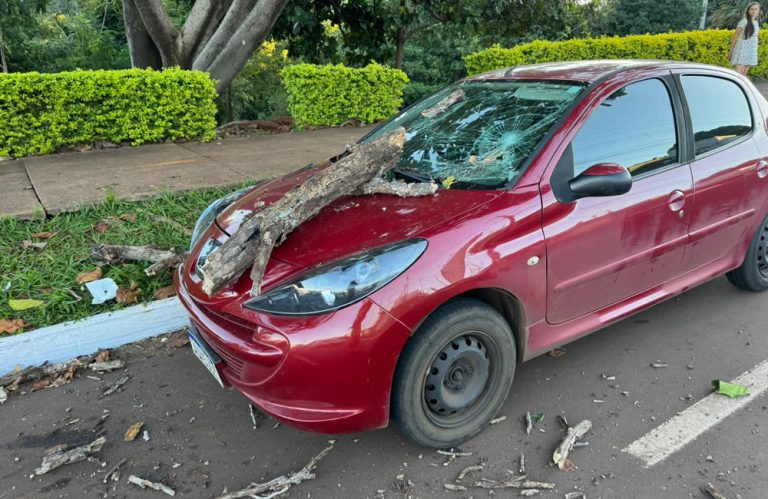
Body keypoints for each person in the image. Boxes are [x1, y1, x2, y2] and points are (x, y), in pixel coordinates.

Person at [729, 2, 761, 77]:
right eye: (752, 9)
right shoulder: (744, 21)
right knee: (738, 76)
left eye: (756, 9)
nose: (754, 11)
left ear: (758, 10)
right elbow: (735, 36)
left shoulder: (756, 23)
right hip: (741, 51)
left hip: (750, 52)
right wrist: (731, 51)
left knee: (744, 76)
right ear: (748, 11)